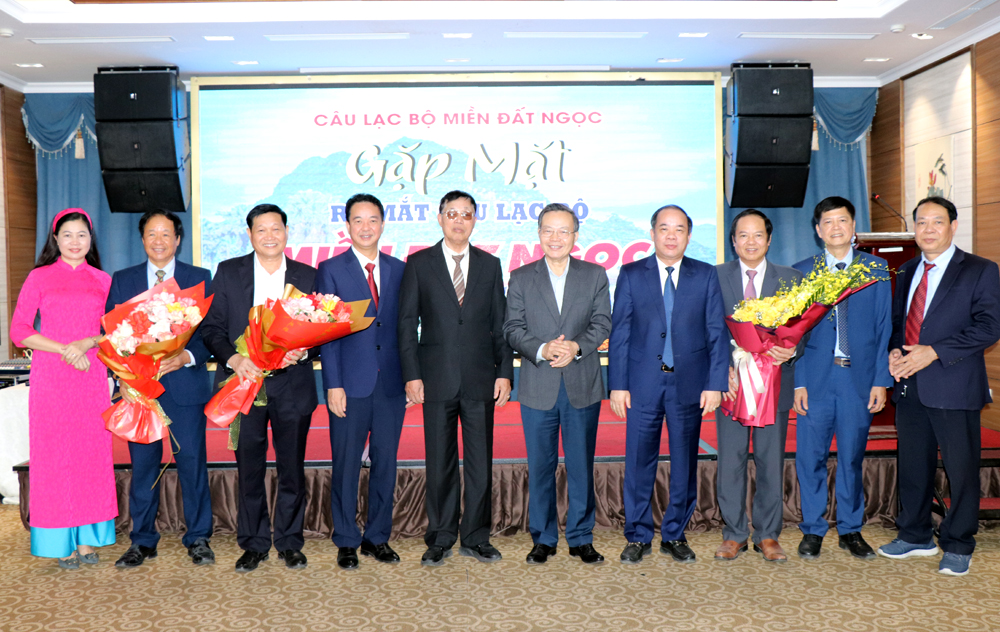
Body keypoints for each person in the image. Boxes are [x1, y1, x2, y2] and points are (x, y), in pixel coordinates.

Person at [878, 196, 1000, 576]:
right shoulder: (908, 269)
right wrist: (895, 353)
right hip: (910, 386)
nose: (928, 230)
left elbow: (989, 326)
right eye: (921, 223)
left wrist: (934, 352)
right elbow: (902, 322)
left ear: (953, 225)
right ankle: (915, 534)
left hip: (954, 383)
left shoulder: (980, 269)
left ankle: (959, 541)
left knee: (961, 468)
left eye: (936, 222)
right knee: (914, 465)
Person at [398, 190, 514, 566]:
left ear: (474, 220)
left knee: (481, 462)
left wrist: (505, 373)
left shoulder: (490, 264)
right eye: (452, 213)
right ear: (439, 217)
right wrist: (412, 375)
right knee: (439, 463)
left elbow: (501, 325)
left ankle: (477, 536)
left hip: (482, 379)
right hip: (435, 379)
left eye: (466, 214)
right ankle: (441, 535)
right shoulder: (418, 263)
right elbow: (406, 325)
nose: (458, 220)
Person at [608, 204, 728, 565]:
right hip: (642, 385)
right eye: (664, 228)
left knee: (684, 462)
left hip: (690, 386)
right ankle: (638, 534)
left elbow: (716, 333)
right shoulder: (630, 274)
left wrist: (715, 383)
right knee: (638, 462)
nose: (671, 235)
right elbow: (621, 334)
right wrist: (617, 385)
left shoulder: (706, 275)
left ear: (689, 236)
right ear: (652, 233)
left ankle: (674, 533)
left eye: (679, 229)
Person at [201, 203, 317, 573]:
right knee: (249, 467)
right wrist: (235, 361)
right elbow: (212, 330)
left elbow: (322, 327)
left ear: (286, 232)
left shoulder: (308, 275)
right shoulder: (229, 272)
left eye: (276, 228)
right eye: (261, 229)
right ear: (249, 235)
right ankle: (253, 542)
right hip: (244, 383)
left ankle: (289, 541)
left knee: (291, 467)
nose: (269, 235)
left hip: (291, 385)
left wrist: (305, 348)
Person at [503, 203, 612, 565]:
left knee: (581, 464)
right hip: (538, 385)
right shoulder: (520, 277)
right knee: (541, 466)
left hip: (582, 383)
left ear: (575, 237)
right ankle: (544, 537)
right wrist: (543, 348)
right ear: (539, 234)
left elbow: (602, 323)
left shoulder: (595, 275)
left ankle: (581, 537)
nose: (556, 238)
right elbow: (512, 328)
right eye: (548, 230)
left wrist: (577, 347)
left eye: (563, 231)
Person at [106, 210, 215, 568]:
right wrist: (124, 374)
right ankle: (143, 540)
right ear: (142, 240)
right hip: (139, 390)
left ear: (178, 239)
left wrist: (185, 355)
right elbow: (112, 336)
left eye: (166, 234)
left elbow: (211, 336)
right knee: (144, 468)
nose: (158, 240)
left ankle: (198, 537)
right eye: (151, 233)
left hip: (185, 388)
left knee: (192, 464)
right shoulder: (122, 280)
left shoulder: (198, 278)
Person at [10, 208, 115, 568]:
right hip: (51, 378)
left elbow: (113, 332)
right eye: (67, 235)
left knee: (90, 457)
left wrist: (86, 343)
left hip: (90, 377)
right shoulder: (39, 277)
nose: (75, 242)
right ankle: (60, 542)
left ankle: (88, 539)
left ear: (91, 240)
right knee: (54, 459)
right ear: (56, 239)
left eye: (82, 235)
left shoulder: (103, 280)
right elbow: (19, 329)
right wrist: (64, 349)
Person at [792, 197, 891, 560]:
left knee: (852, 457)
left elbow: (884, 328)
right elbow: (794, 333)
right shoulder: (802, 271)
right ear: (818, 230)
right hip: (816, 380)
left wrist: (881, 379)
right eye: (828, 222)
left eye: (843, 221)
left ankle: (851, 529)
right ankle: (813, 529)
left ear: (854, 227)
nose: (836, 227)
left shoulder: (876, 270)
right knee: (810, 457)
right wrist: (798, 381)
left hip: (858, 381)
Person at [318, 194, 407, 570]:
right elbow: (326, 330)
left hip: (391, 384)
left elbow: (403, 328)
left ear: (383, 224)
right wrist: (332, 384)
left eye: (373, 220)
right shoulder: (331, 268)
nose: (366, 227)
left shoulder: (401, 269)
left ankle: (377, 538)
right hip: (349, 384)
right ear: (348, 226)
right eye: (358, 220)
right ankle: (346, 539)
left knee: (386, 463)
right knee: (347, 463)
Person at [714, 209, 802, 563]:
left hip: (774, 387)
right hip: (732, 388)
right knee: (730, 462)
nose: (750, 242)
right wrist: (723, 373)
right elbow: (707, 331)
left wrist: (791, 349)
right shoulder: (715, 277)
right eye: (743, 236)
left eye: (758, 235)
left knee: (770, 461)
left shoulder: (790, 278)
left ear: (768, 239)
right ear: (733, 240)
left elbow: (802, 329)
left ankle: (768, 534)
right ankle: (733, 534)